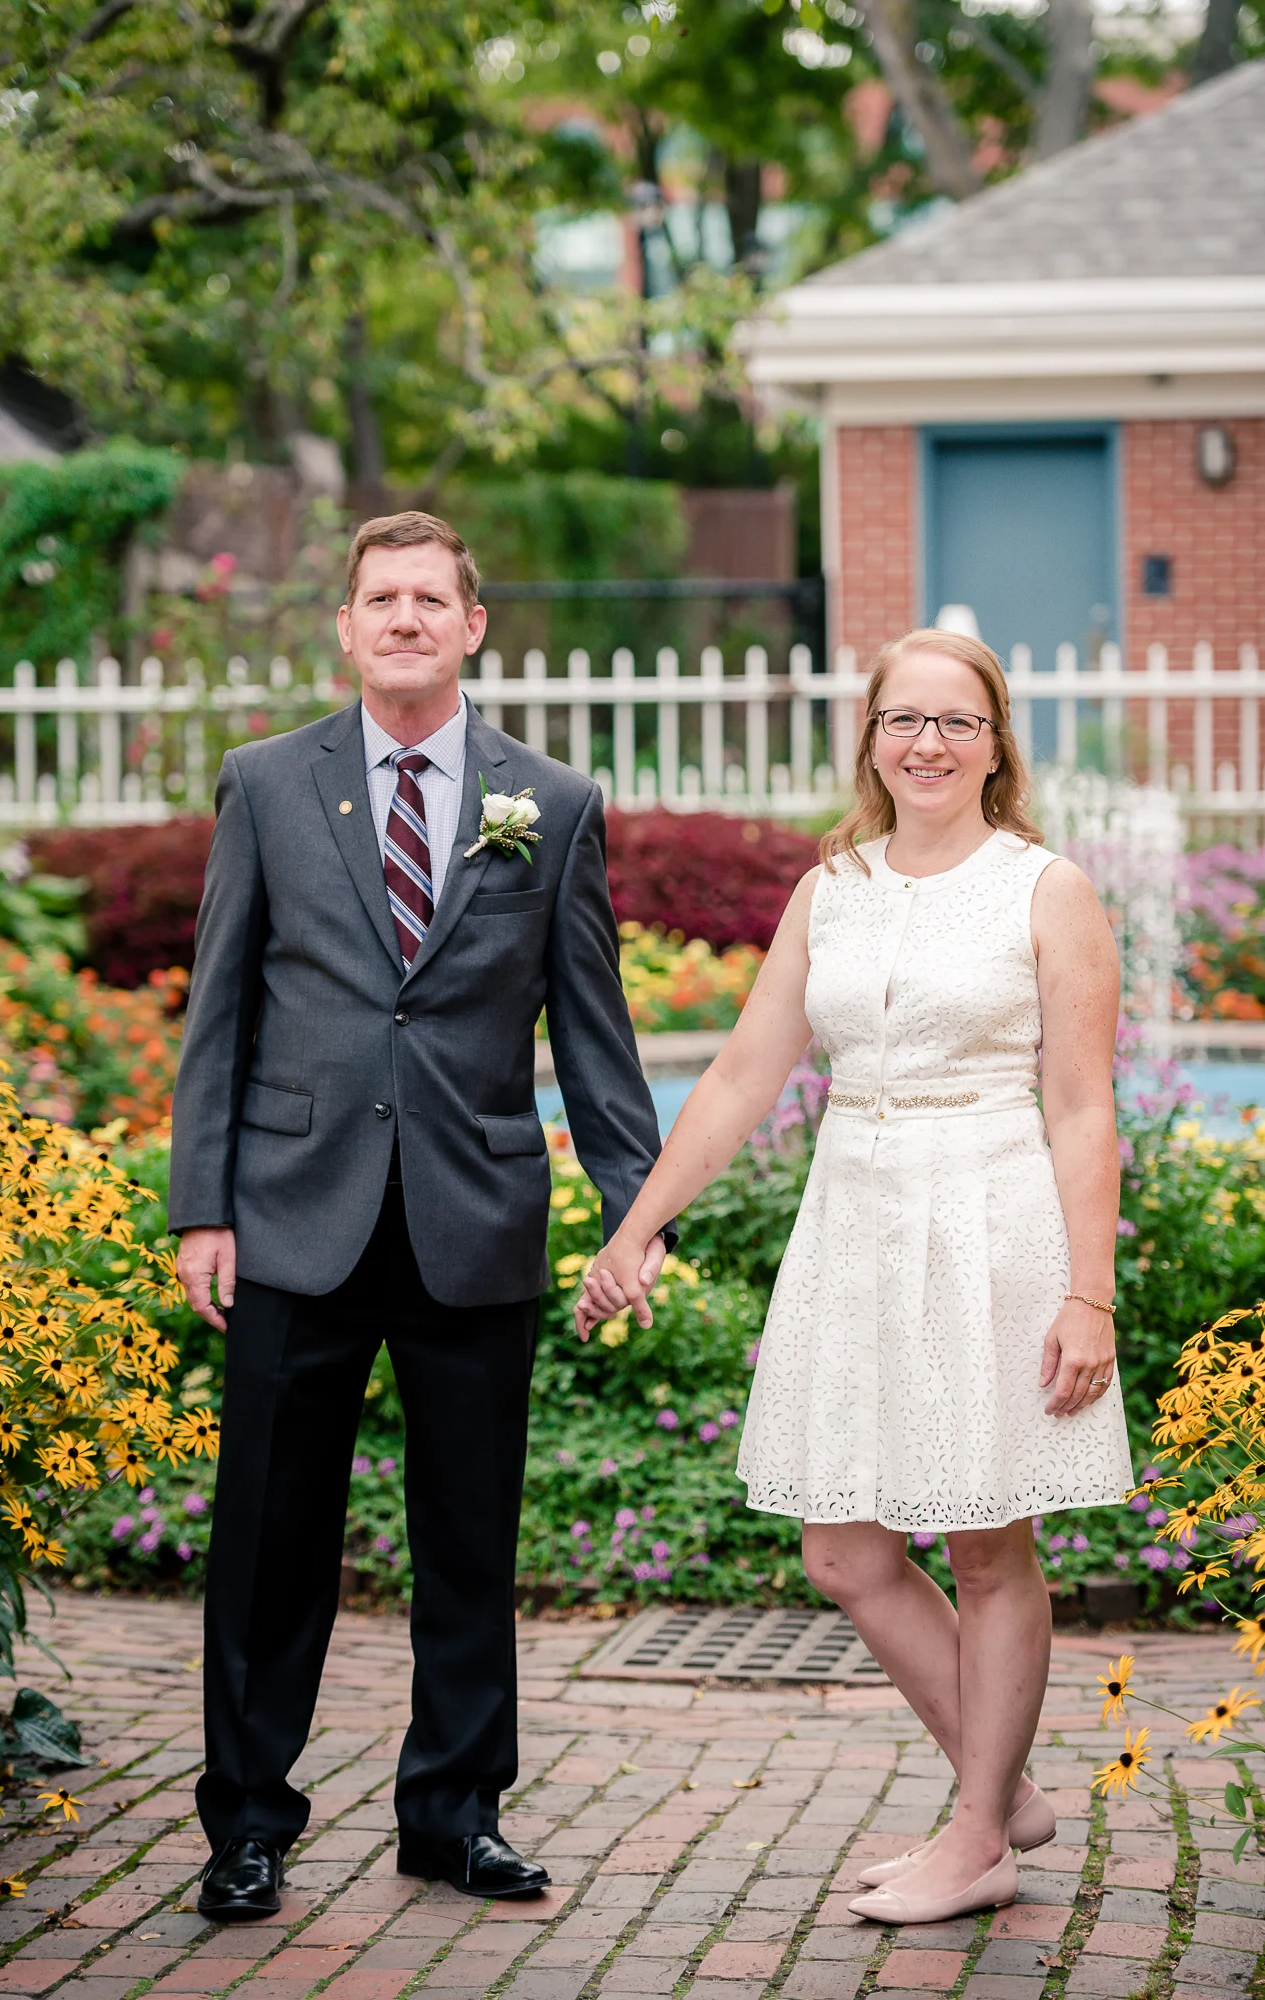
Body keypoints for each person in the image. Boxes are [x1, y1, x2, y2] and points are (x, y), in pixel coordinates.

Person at [578, 628, 1133, 1927]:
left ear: (994, 747)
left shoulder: (1044, 889)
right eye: (903, 720)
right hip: (854, 1229)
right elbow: (740, 1075)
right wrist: (635, 1228)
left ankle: (978, 1834)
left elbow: (1079, 1106)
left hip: (989, 1226)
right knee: (841, 1549)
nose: (927, 743)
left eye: (956, 722)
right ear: (872, 738)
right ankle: (1000, 1789)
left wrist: (1088, 1292)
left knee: (987, 1545)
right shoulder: (831, 889)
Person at [170, 511, 673, 1919]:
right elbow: (220, 1008)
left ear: (472, 627)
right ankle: (246, 1825)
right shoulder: (268, 783)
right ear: (346, 628)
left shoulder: (549, 803)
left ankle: (453, 1817)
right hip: (292, 1218)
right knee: (270, 1545)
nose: (403, 618)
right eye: (379, 598)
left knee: (467, 1543)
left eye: (428, 599)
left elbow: (594, 1033)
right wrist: (203, 1206)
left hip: (474, 1220)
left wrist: (635, 1215)